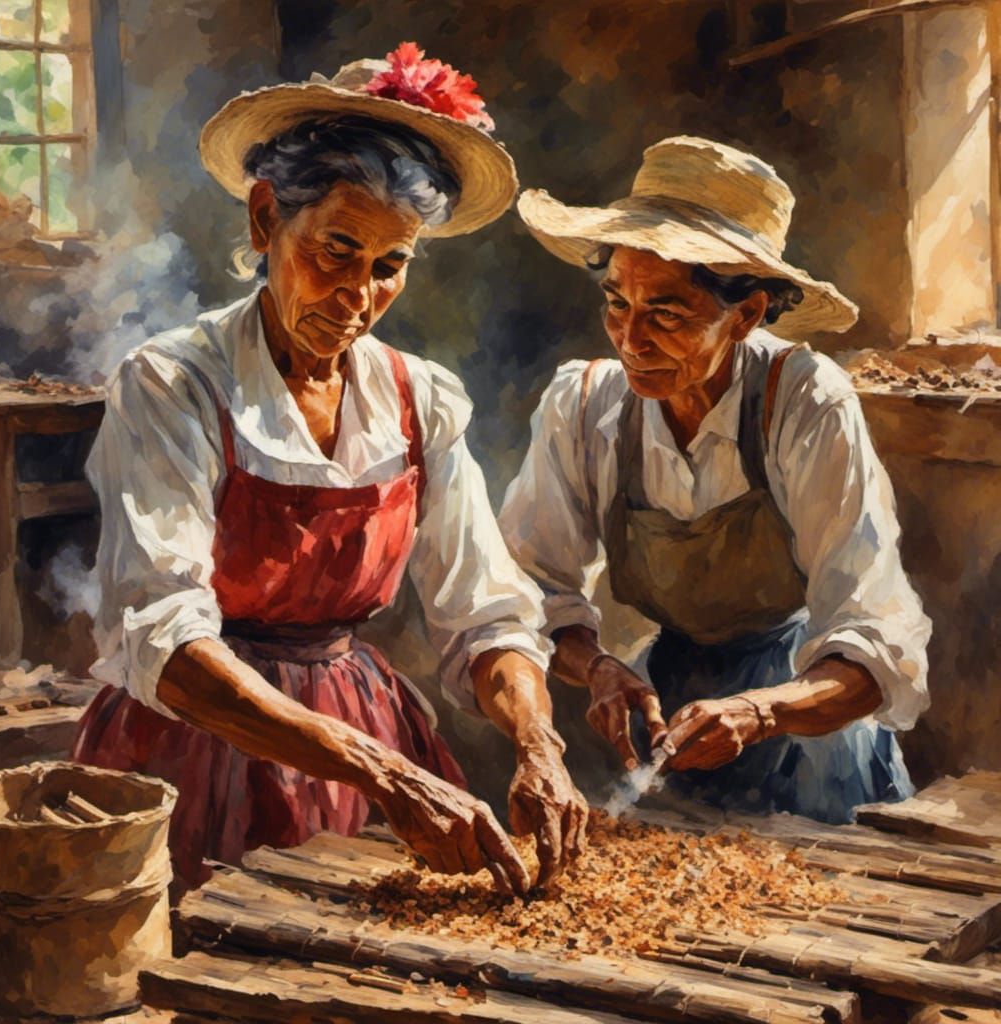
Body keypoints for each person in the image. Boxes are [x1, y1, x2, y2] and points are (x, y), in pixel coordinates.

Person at [73, 43, 587, 892]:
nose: (359, 296)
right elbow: (160, 634)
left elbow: (485, 612)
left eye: (390, 268)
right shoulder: (175, 384)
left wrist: (538, 741)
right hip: (200, 737)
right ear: (265, 218)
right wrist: (381, 772)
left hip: (365, 739)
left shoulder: (422, 400)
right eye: (336, 250)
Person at [499, 136, 931, 823]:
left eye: (666, 314)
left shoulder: (803, 400)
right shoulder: (585, 407)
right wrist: (599, 669)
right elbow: (529, 589)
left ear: (748, 314)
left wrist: (761, 711)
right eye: (617, 304)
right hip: (670, 707)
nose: (631, 340)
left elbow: (876, 637)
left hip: (803, 719)